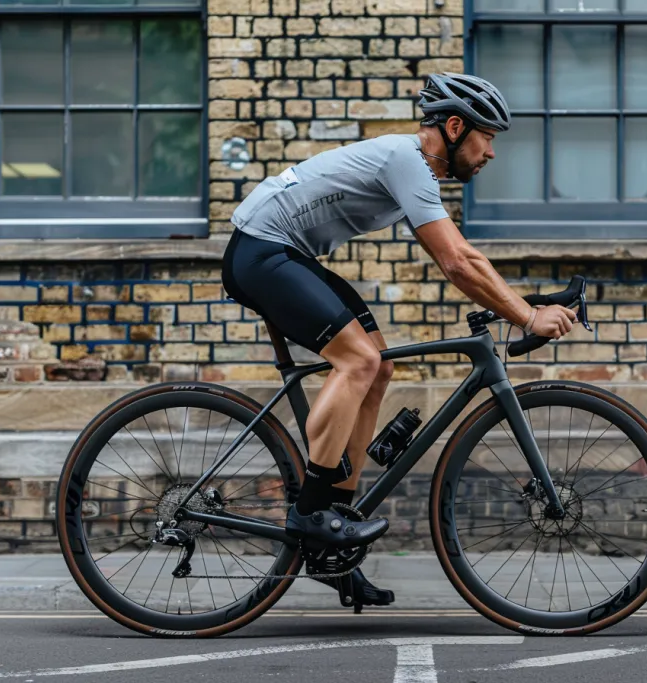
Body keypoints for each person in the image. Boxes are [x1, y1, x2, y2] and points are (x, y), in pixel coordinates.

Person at [221, 72, 578, 608]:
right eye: (488, 137)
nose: (491, 153)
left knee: (378, 366)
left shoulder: (416, 173)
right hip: (262, 252)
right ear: (455, 127)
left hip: (284, 254)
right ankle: (312, 512)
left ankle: (331, 542)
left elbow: (466, 255)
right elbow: (456, 263)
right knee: (359, 361)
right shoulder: (406, 160)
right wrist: (527, 317)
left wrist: (524, 303)